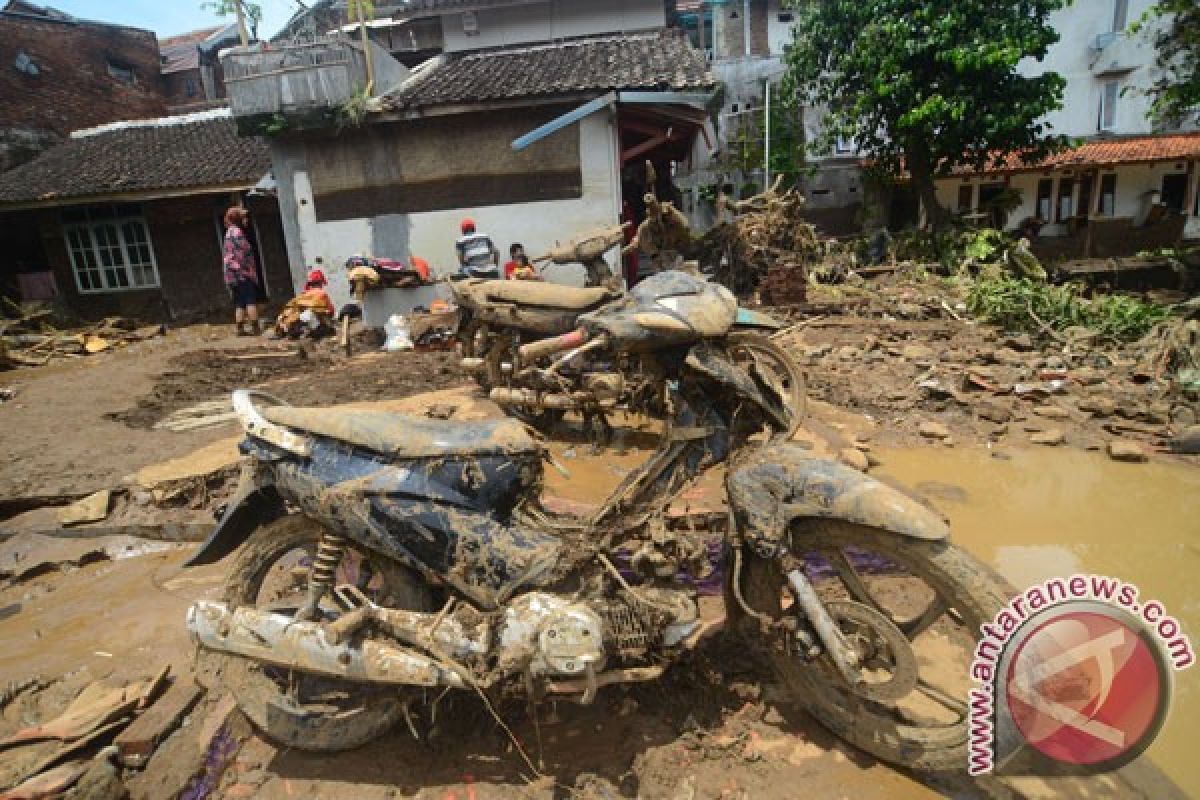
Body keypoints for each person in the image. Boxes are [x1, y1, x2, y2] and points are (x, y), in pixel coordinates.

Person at [222, 206, 260, 335]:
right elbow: (241, 255)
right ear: (237, 219)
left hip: (231, 275)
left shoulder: (228, 233)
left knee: (239, 302)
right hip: (241, 272)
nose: (246, 220)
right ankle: (256, 328)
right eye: (243, 217)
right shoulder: (237, 233)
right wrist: (248, 271)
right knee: (250, 300)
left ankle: (240, 329)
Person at [274, 269, 336, 338]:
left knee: (305, 315)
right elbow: (331, 311)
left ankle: (295, 330)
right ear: (320, 283)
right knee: (309, 316)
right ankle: (311, 330)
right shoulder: (321, 294)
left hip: (292, 323)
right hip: (312, 323)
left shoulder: (302, 295)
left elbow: (290, 307)